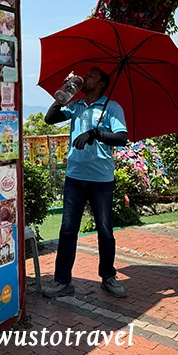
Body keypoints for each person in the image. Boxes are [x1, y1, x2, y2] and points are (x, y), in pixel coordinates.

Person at [42, 67, 129, 299]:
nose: (85, 77)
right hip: (74, 177)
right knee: (68, 230)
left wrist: (95, 134)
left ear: (101, 84)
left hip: (101, 179)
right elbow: (49, 119)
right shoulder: (76, 105)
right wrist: (64, 92)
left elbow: (122, 138)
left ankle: (108, 276)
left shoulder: (112, 107)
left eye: (90, 75)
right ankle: (62, 281)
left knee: (105, 230)